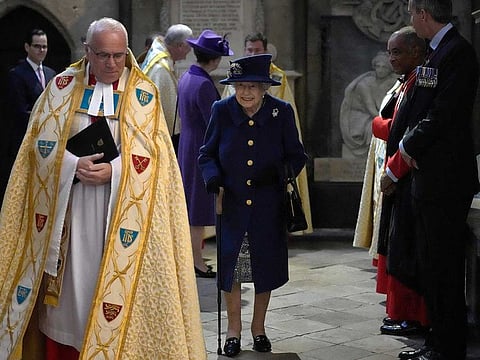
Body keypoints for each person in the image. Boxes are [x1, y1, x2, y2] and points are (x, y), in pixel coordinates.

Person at [0, 17, 205, 359]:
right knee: (69, 306)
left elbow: (158, 160)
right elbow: (37, 147)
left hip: (123, 220)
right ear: (87, 51)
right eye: (103, 55)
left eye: (118, 55)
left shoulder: (143, 95)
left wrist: (115, 170)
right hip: (69, 216)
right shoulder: (61, 87)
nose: (112, 64)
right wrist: (71, 165)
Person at [199, 54, 307, 357]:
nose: (245, 92)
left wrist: (279, 174)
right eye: (240, 86)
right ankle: (233, 330)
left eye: (252, 87)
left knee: (264, 267)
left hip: (268, 205)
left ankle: (258, 329)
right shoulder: (221, 111)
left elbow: (297, 155)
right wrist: (214, 181)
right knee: (231, 269)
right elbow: (206, 154)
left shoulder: (281, 112)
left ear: (265, 89)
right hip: (231, 203)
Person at [396, 1, 479, 359]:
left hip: (446, 177)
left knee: (444, 267)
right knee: (431, 266)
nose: (411, 21)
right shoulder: (436, 51)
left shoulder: (457, 53)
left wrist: (408, 144)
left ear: (424, 15)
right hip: (428, 175)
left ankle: (448, 348)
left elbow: (445, 111)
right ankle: (436, 342)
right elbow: (421, 105)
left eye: (413, 14)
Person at [370, 26, 430, 339]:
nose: (391, 58)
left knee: (408, 250)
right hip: (399, 174)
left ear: (416, 52)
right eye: (390, 52)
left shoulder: (422, 80)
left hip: (408, 175)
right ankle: (402, 312)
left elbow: (408, 129)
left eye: (398, 52)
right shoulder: (407, 81)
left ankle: (412, 316)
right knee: (398, 246)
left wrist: (393, 169)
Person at [223, 32, 313, 234]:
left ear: (266, 51)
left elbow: (288, 123)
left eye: (257, 50)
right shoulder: (232, 81)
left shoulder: (277, 78)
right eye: (249, 50)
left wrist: (278, 176)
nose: (246, 91)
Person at [177, 29, 233, 278]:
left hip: (188, 144)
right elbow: (214, 122)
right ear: (215, 59)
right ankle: (196, 261)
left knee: (192, 206)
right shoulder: (203, 84)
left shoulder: (187, 76)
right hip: (201, 147)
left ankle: (192, 258)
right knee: (197, 210)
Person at [0, 29, 56, 205]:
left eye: (44, 47)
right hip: (25, 140)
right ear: (27, 47)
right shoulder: (16, 74)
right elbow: (19, 111)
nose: (41, 50)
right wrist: (48, 119)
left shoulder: (51, 74)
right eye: (37, 46)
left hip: (48, 141)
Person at [339, 51, 398, 158]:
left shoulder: (393, 82)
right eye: (378, 66)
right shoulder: (364, 84)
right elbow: (371, 109)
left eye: (384, 67)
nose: (380, 70)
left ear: (390, 69)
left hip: (381, 116)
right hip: (362, 117)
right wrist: (388, 125)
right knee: (373, 129)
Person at [141, 24, 193, 139]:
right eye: (188, 47)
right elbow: (163, 111)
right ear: (180, 45)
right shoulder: (161, 69)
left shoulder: (160, 56)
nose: (189, 51)